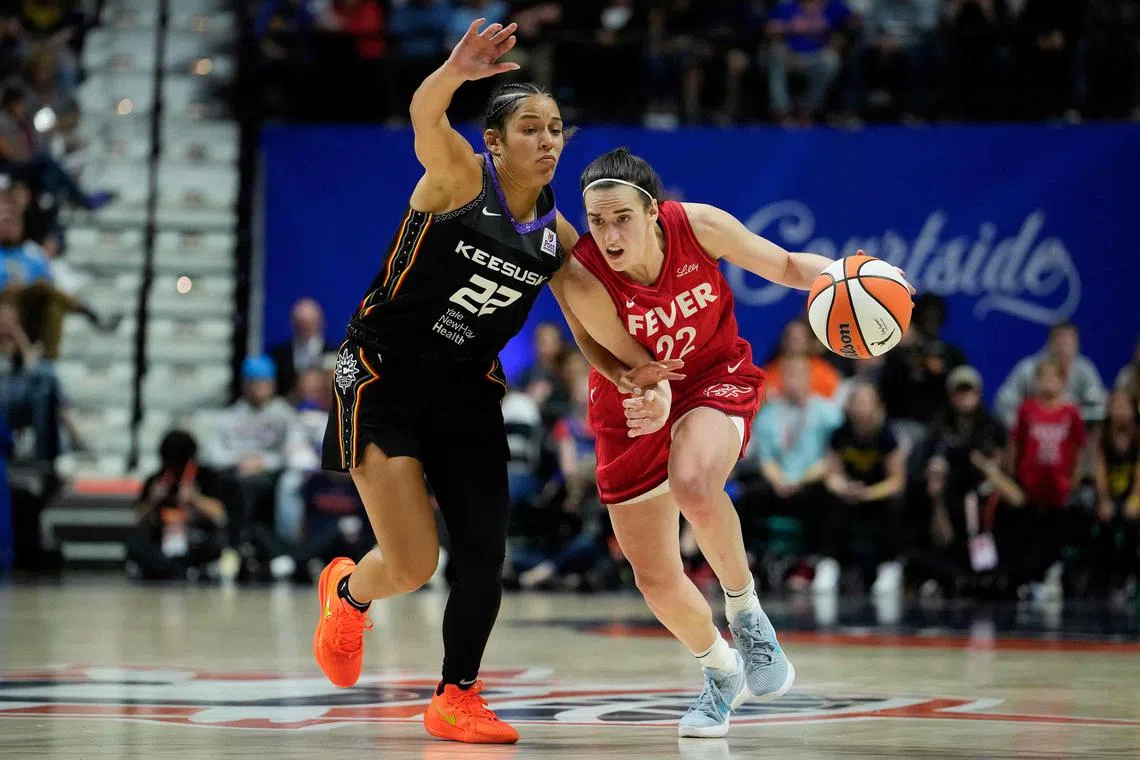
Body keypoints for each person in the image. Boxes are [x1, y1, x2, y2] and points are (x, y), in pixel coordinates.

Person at [312, 21, 677, 746]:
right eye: (531, 128)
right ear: (494, 141)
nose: (548, 141)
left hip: (468, 389)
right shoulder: (454, 176)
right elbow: (424, 114)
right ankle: (348, 593)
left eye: (556, 129)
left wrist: (631, 366)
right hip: (383, 375)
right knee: (414, 565)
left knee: (484, 547)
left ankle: (457, 695)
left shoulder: (557, 233)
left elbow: (584, 312)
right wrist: (453, 71)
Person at [559, 148, 908, 737]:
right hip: (630, 392)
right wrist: (640, 385)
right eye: (598, 221)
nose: (610, 233)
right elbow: (604, 349)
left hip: (712, 376)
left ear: (653, 210)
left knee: (695, 483)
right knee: (654, 577)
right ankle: (720, 673)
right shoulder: (582, 271)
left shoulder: (698, 225)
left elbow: (791, 266)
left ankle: (747, 614)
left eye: (622, 217)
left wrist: (851, 279)